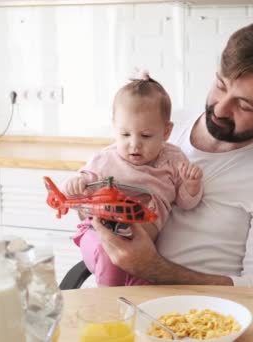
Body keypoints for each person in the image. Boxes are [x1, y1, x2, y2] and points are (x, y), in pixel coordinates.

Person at [89, 19, 253, 288]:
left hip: (207, 317)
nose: (221, 109)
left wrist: (152, 268)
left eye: (243, 105)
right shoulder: (160, 127)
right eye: (221, 86)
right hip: (121, 296)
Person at [63, 76, 204, 286]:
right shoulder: (105, 159)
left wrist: (191, 186)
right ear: (114, 128)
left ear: (166, 132)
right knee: (109, 262)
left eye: (146, 136)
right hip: (98, 235)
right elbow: (83, 185)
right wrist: (74, 185)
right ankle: (107, 308)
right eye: (125, 134)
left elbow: (186, 203)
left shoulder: (174, 160)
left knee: (149, 292)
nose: (134, 144)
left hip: (142, 252)